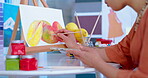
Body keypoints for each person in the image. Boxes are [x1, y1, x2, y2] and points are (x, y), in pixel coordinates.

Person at [56, 0, 148, 77]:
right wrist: (76, 47)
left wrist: (97, 63)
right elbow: (121, 52)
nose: (104, 2)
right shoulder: (142, 16)